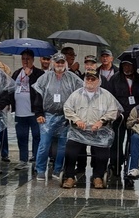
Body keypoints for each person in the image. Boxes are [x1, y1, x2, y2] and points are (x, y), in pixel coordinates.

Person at [62, 69, 122, 189]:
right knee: (70, 151)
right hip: (79, 131)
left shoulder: (106, 95)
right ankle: (69, 177)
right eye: (88, 78)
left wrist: (101, 121)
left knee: (102, 153)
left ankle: (98, 177)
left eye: (93, 79)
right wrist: (76, 120)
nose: (90, 81)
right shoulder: (76, 94)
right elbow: (67, 108)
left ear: (98, 81)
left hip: (99, 131)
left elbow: (114, 111)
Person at [32, 53, 84, 181]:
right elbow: (37, 94)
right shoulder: (45, 78)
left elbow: (80, 94)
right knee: (44, 144)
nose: (59, 65)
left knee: (62, 146)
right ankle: (40, 170)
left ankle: (57, 169)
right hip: (47, 116)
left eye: (62, 62)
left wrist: (74, 115)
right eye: (57, 62)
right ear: (53, 63)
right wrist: (38, 113)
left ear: (65, 63)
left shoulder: (73, 77)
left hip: (65, 117)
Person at [106, 56, 139, 176]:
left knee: (132, 142)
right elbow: (109, 97)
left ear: (134, 67)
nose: (127, 68)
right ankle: (115, 165)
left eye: (129, 65)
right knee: (116, 143)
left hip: (134, 117)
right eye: (124, 65)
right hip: (119, 116)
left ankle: (130, 166)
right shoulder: (115, 79)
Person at [11, 49, 45, 170]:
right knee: (21, 136)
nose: (25, 61)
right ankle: (23, 160)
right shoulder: (16, 73)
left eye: (28, 59)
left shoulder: (39, 73)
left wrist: (30, 75)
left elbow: (40, 88)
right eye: (23, 59)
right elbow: (11, 89)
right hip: (20, 112)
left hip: (34, 112)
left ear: (32, 60)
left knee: (37, 136)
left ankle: (36, 159)